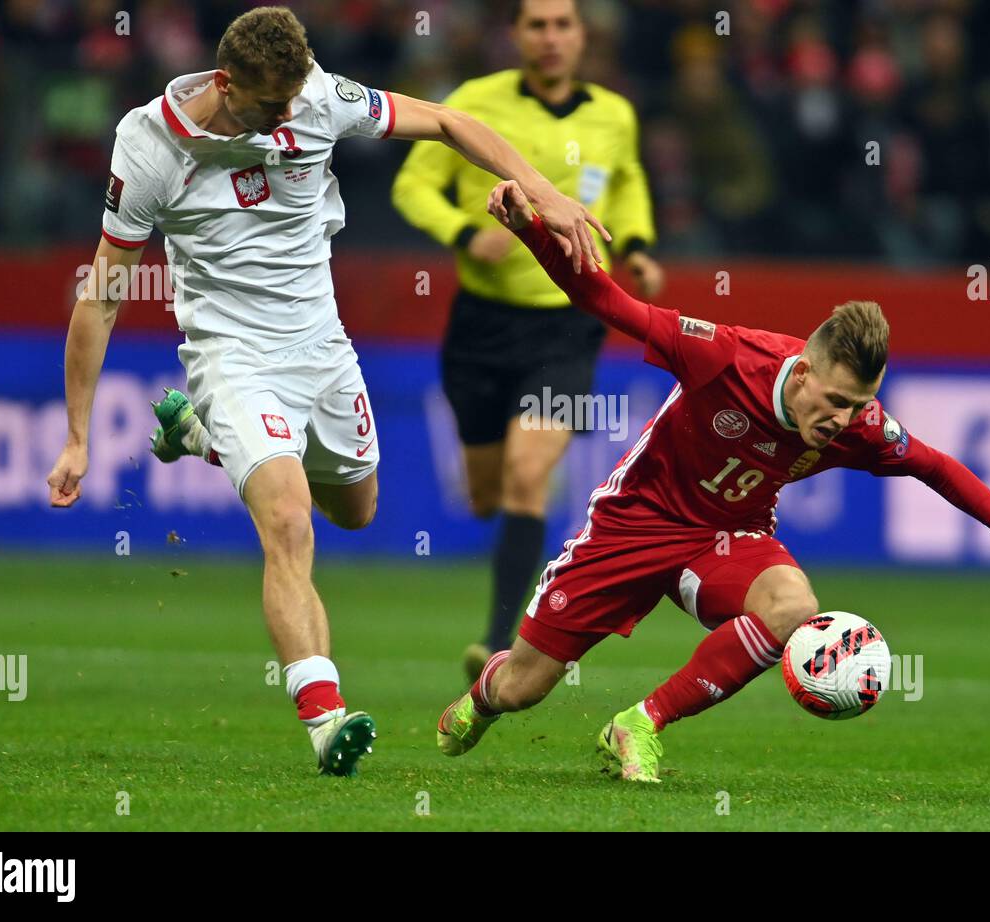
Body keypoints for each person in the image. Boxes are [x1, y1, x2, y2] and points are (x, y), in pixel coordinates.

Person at [45, 7, 608, 777]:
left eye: (293, 102)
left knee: (356, 510)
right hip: (230, 354)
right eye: (269, 106)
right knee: (288, 519)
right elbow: (101, 296)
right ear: (224, 81)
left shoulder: (315, 94)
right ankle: (325, 718)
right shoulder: (150, 144)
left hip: (322, 349)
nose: (287, 119)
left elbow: (443, 121)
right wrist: (78, 434)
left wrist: (540, 189)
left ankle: (198, 436)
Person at [437, 180, 990, 782]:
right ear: (801, 371)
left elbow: (935, 465)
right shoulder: (722, 356)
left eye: (858, 404)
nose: (844, 419)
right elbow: (605, 298)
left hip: (725, 537)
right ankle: (482, 696)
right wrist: (529, 229)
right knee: (524, 688)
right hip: (635, 522)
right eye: (835, 399)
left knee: (793, 609)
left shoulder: (858, 422)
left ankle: (638, 724)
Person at [391, 0, 661, 680]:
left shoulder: (614, 115)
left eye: (563, 24)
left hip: (570, 326)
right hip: (482, 326)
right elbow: (412, 185)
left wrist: (636, 245)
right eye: (536, 25)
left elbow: (625, 184)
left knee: (526, 473)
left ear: (581, 36)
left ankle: (496, 643)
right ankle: (509, 541)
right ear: (515, 35)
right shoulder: (473, 104)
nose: (550, 38)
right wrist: (461, 231)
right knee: (487, 492)